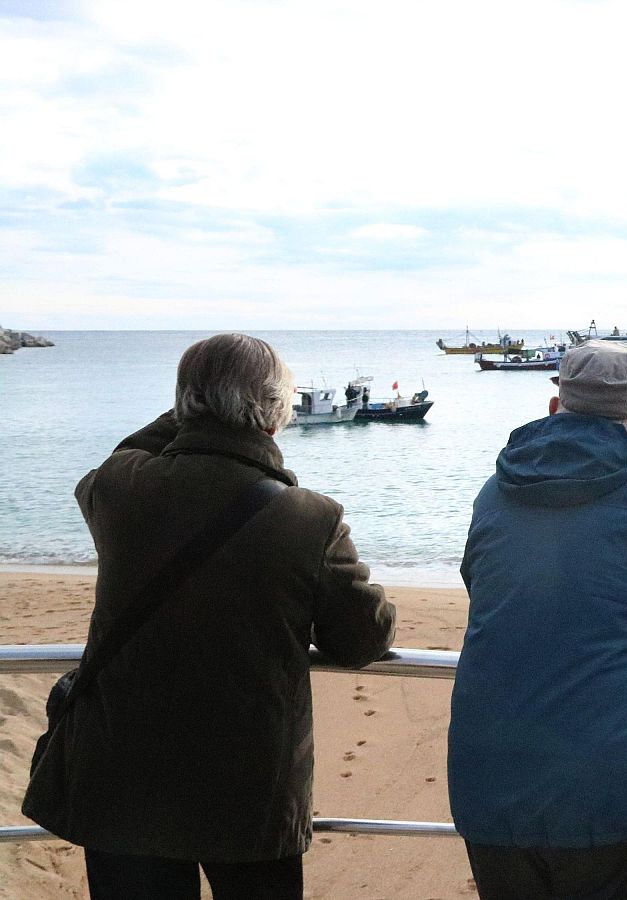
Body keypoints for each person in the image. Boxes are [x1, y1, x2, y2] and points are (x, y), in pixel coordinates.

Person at [24, 333, 397, 900]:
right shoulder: (309, 518)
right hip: (247, 793)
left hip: (121, 781)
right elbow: (362, 640)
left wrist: (193, 408)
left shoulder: (120, 489)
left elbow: (126, 451)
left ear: (182, 405)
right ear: (275, 410)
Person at [450, 340, 627, 900]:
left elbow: (482, 586)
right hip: (612, 786)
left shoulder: (494, 494)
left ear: (555, 409)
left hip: (491, 777)